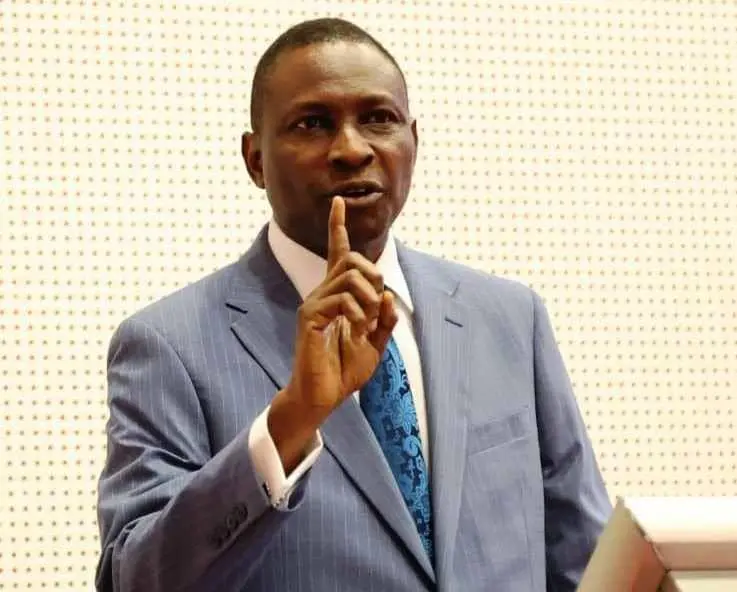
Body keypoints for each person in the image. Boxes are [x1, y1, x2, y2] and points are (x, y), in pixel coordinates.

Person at [96, 17, 611, 592]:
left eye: (378, 118)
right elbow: (134, 577)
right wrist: (291, 420)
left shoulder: (512, 318)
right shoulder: (167, 346)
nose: (351, 148)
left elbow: (586, 559)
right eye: (312, 123)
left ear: (414, 140)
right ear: (255, 159)